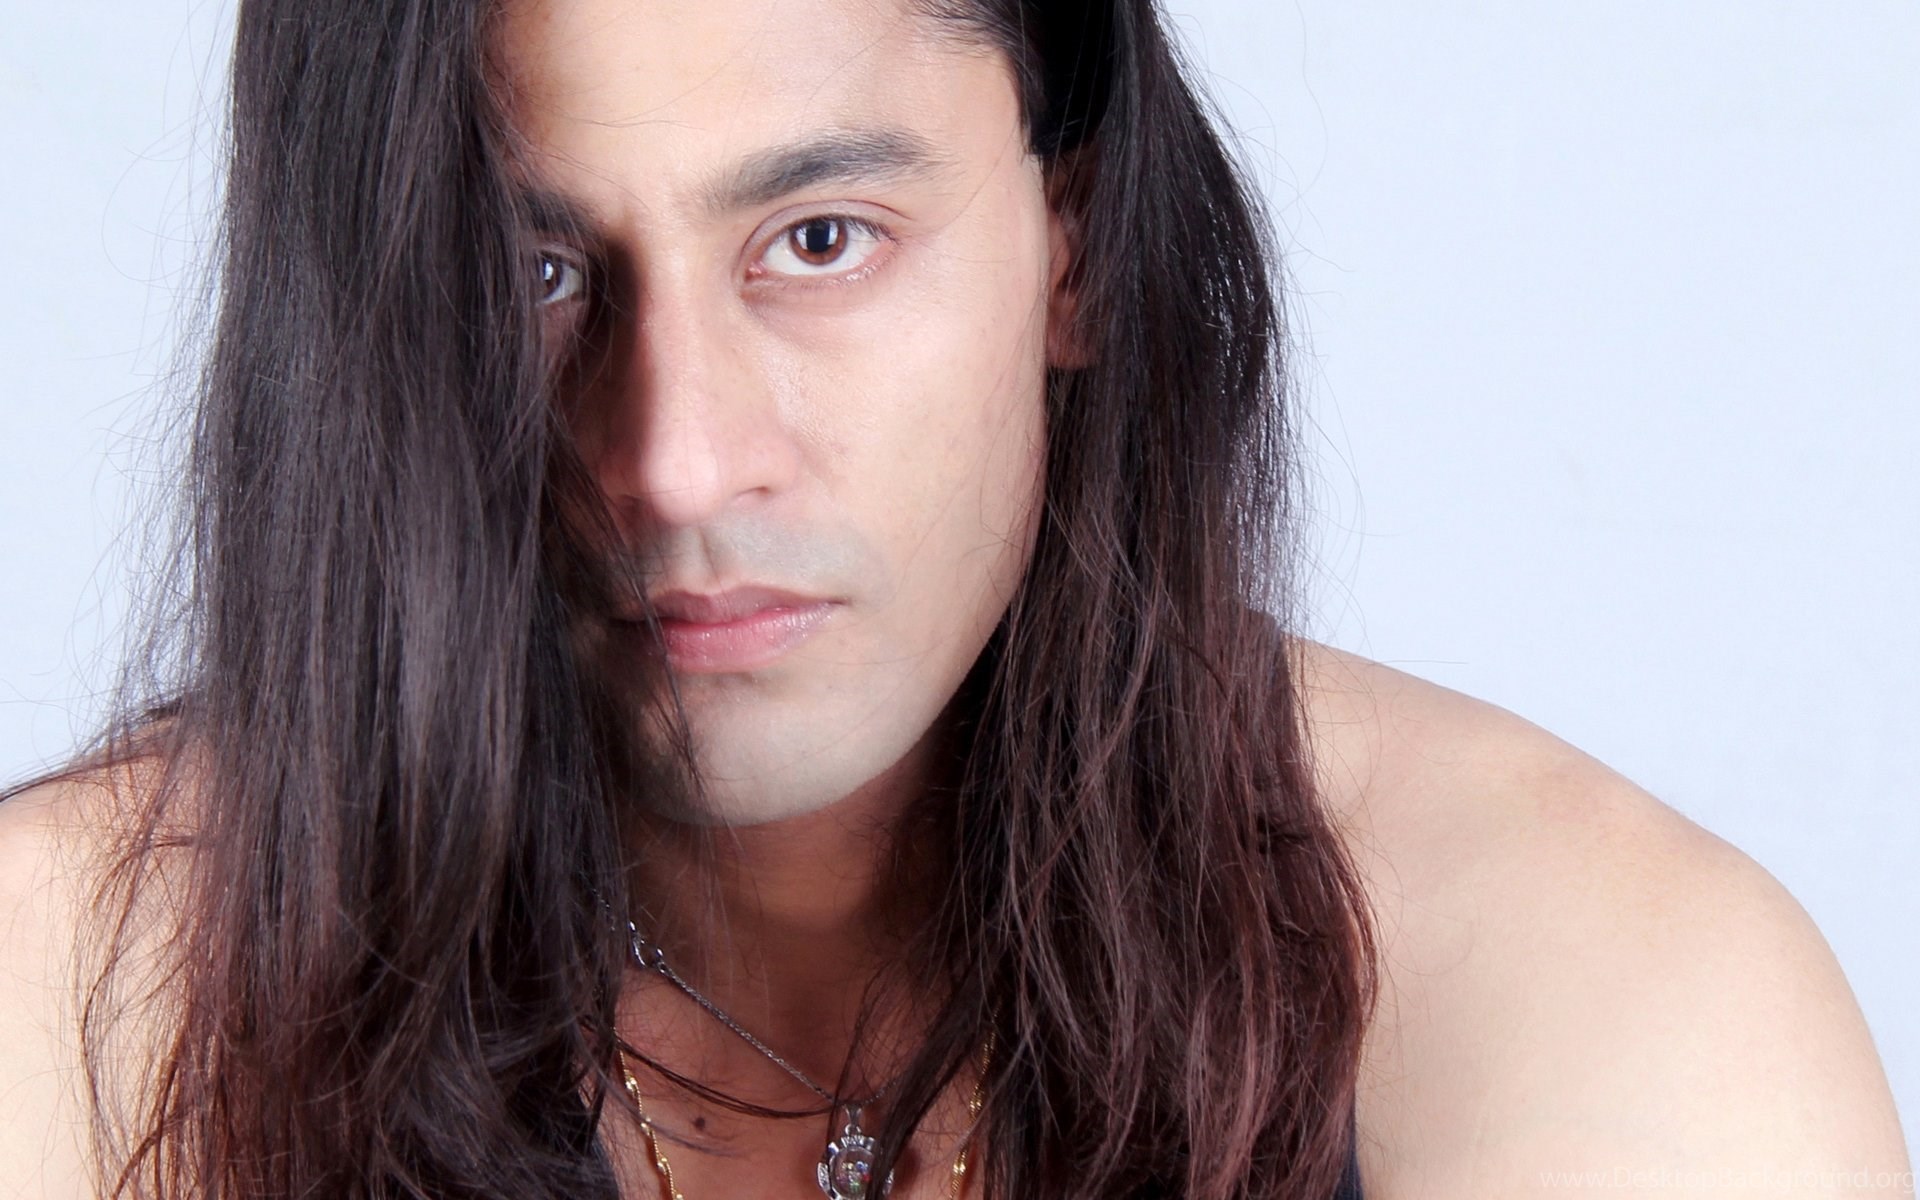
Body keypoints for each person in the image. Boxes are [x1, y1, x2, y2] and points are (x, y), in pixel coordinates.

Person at [0, 0, 1909, 1196]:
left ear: (1071, 245)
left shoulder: (1602, 997)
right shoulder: (72, 996)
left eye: (820, 240)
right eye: (533, 275)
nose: (679, 459)